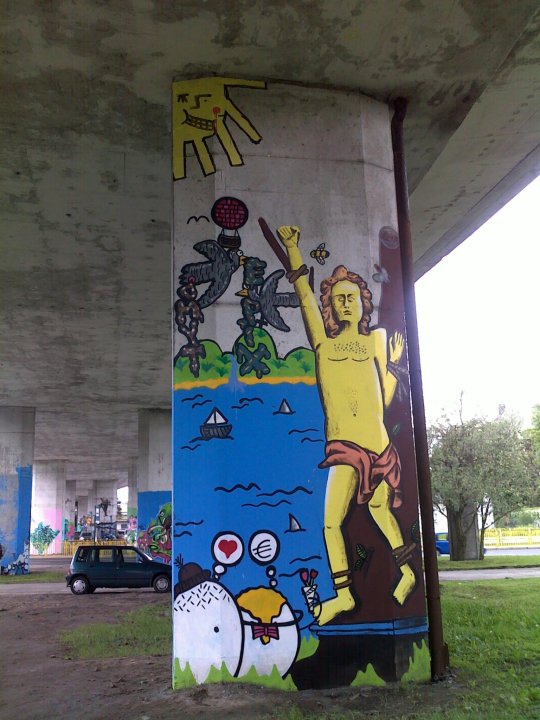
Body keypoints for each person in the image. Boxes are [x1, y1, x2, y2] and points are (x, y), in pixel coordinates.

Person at [277, 225, 415, 626]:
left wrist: (393, 366)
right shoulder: (323, 344)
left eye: (352, 297)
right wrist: (292, 248)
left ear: (362, 301)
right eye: (339, 299)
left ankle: (406, 572)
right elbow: (304, 295)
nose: (346, 303)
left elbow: (383, 399)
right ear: (332, 308)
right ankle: (343, 594)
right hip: (345, 448)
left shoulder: (376, 340)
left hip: (378, 445)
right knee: (331, 522)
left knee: (380, 509)